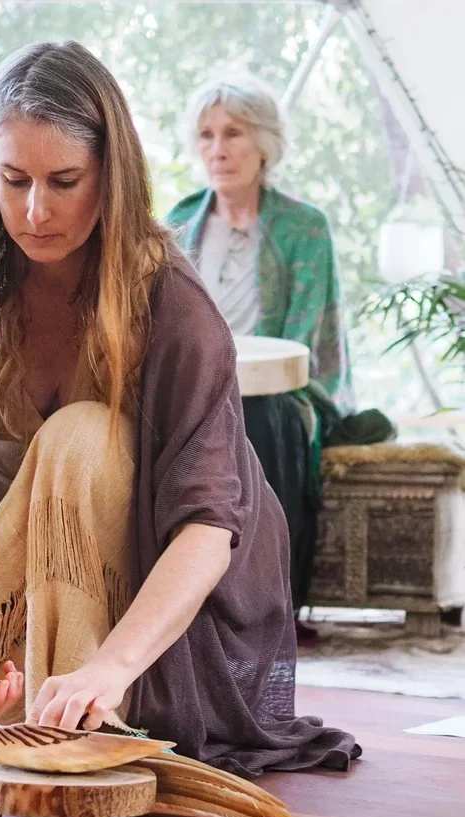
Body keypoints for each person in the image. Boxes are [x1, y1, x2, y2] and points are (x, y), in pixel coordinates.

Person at [0, 41, 359, 780]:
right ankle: (45, 722)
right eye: (13, 179)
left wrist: (108, 669)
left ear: (111, 177)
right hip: (9, 566)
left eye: (64, 181)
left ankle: (87, 711)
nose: (35, 210)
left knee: (81, 435)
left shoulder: (171, 303)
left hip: (150, 609)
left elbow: (208, 531)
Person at [167, 75, 390, 627]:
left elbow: (301, 346)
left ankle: (267, 610)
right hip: (196, 388)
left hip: (281, 391)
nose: (217, 149)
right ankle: (179, 608)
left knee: (265, 419)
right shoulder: (178, 223)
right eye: (206, 135)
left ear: (264, 142)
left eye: (234, 133)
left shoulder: (304, 227)